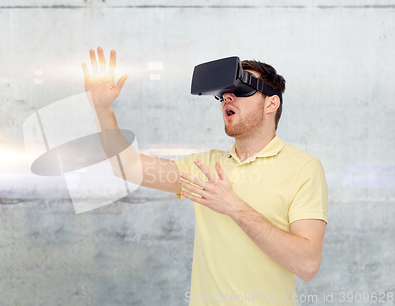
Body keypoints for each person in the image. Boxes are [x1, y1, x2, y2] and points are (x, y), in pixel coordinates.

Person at [82, 47, 328, 305]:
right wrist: (102, 109)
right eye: (223, 95)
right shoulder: (206, 167)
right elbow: (127, 166)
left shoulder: (303, 168)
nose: (228, 99)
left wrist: (235, 208)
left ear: (271, 103)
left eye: (241, 90)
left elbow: (308, 264)